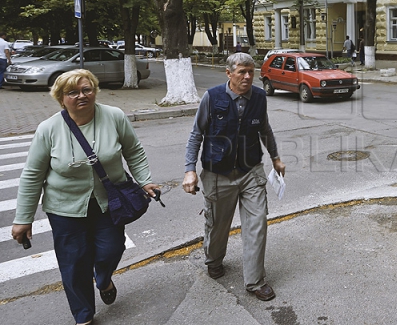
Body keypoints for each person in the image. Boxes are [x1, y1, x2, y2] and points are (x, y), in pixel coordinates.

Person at [11, 69, 158, 325]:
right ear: (61, 98)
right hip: (64, 208)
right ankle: (84, 317)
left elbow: (133, 151)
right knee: (74, 263)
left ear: (95, 91)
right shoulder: (48, 129)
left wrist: (145, 181)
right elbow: (32, 176)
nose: (82, 96)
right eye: (73, 92)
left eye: (86, 89)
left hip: (108, 203)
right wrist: (24, 218)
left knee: (112, 249)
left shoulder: (114, 117)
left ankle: (103, 278)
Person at [183, 52, 286, 302]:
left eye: (252, 71)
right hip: (218, 173)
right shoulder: (212, 97)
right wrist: (190, 169)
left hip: (251, 170)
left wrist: (275, 157)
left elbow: (265, 129)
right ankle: (214, 259)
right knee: (218, 224)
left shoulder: (259, 96)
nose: (248, 76)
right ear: (229, 74)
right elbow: (196, 134)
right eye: (242, 72)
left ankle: (255, 281)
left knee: (257, 223)